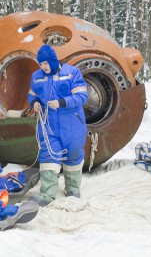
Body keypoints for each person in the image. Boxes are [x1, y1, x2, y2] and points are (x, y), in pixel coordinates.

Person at [27, 44, 88, 206]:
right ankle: (47, 194)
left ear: (53, 61)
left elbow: (82, 96)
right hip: (48, 123)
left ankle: (73, 188)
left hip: (72, 123)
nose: (43, 67)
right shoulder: (36, 76)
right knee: (48, 155)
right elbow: (31, 94)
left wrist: (61, 102)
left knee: (73, 153)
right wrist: (34, 103)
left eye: (46, 63)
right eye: (41, 64)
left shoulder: (72, 73)